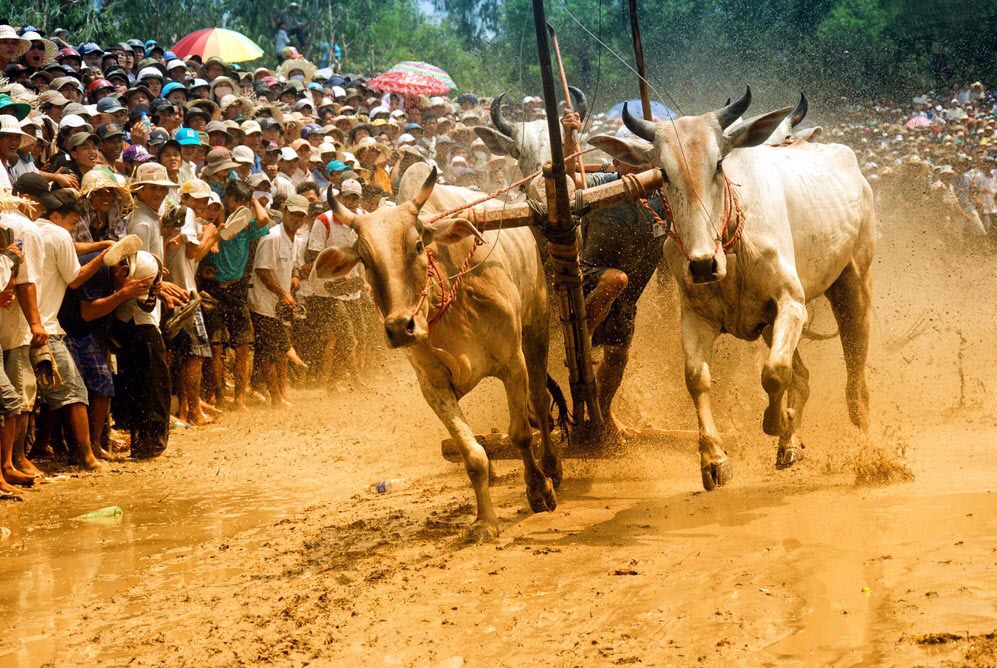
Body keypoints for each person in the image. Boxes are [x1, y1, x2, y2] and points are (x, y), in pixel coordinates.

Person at [564, 112, 667, 440]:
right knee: (615, 280)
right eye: (628, 161)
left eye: (642, 162)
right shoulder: (602, 185)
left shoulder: (663, 200)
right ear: (615, 165)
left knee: (618, 357)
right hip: (593, 278)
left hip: (627, 298)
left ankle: (605, 411)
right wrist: (570, 136)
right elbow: (571, 178)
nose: (635, 168)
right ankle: (582, 343)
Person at [31, 189, 113, 470]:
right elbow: (76, 279)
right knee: (75, 392)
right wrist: (102, 257)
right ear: (56, 216)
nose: (76, 228)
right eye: (73, 222)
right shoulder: (59, 235)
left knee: (27, 399)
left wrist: (100, 245)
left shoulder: (34, 231)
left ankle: (35, 449)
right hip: (47, 326)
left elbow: (71, 249)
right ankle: (88, 457)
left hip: (26, 325)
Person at [112, 162, 188, 459]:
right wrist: (158, 285)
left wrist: (161, 283)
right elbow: (130, 265)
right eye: (153, 188)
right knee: (152, 380)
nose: (158, 193)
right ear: (141, 190)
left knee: (147, 378)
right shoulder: (142, 221)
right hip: (138, 309)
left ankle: (145, 441)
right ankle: (149, 443)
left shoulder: (148, 218)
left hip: (144, 306)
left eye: (162, 188)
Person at [200, 180, 270, 410]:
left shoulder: (247, 226)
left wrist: (251, 201)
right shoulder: (217, 224)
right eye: (234, 201)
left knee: (242, 348)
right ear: (227, 200)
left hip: (238, 291)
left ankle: (239, 399)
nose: (238, 206)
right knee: (217, 348)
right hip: (215, 291)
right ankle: (218, 395)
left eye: (243, 202)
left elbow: (264, 219)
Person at [248, 194, 308, 406]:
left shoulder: (295, 240)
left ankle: (280, 393)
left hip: (280, 305)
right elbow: (262, 270)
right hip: (263, 304)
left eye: (301, 216)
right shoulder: (272, 237)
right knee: (268, 352)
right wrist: (283, 294)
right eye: (293, 214)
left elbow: (292, 266)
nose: (296, 219)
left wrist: (294, 277)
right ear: (284, 211)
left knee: (282, 350)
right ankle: (275, 397)